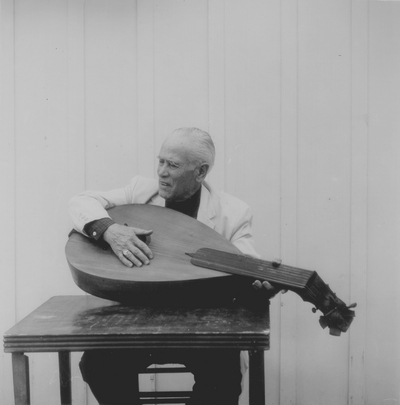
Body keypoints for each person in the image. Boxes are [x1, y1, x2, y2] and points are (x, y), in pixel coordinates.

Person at [68, 127, 277, 405]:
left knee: (222, 380)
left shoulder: (233, 213)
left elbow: (245, 264)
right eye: (161, 161)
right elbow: (80, 202)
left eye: (173, 165)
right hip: (139, 324)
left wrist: (259, 287)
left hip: (203, 330)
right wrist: (110, 230)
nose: (162, 172)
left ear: (200, 172)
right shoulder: (140, 191)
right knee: (98, 365)